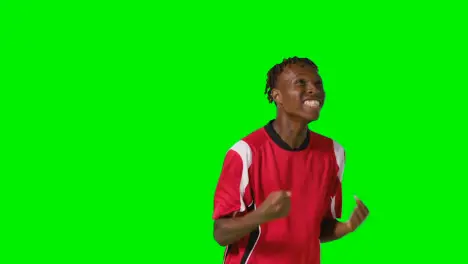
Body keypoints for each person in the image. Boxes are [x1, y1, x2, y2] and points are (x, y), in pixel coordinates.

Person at [212, 57, 369, 264]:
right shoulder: (245, 153)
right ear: (277, 96)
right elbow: (220, 233)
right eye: (301, 83)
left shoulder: (333, 153)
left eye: (318, 83)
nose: (314, 90)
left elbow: (318, 228)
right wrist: (261, 216)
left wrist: (348, 226)